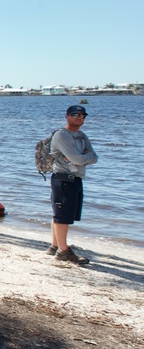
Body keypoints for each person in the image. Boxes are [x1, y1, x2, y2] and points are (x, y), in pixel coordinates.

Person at [48, 105, 97, 265]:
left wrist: (84, 157)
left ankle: (55, 246)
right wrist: (84, 157)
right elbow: (78, 159)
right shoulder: (61, 135)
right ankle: (63, 251)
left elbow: (94, 157)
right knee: (62, 215)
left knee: (62, 214)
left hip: (75, 179)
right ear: (67, 116)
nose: (79, 118)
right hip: (63, 179)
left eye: (82, 116)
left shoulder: (82, 136)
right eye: (75, 115)